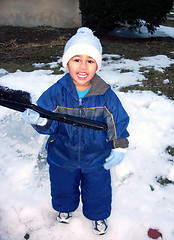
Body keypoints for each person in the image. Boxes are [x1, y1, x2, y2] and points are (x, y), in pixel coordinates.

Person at [23, 27, 129, 235]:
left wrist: (119, 147)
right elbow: (48, 123)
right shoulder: (56, 92)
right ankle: (64, 210)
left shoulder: (105, 95)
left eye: (90, 60)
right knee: (63, 187)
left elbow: (118, 121)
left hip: (96, 157)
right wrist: (39, 121)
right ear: (67, 63)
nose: (83, 66)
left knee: (98, 191)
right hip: (62, 154)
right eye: (76, 59)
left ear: (97, 65)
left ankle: (98, 215)